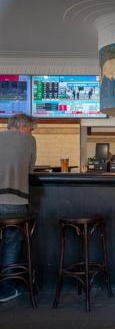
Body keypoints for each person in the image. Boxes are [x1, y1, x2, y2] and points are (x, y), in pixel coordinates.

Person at [0, 113, 36, 303]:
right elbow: (30, 170)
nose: (30, 132)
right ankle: (6, 290)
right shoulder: (29, 140)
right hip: (15, 201)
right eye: (30, 128)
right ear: (23, 126)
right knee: (11, 241)